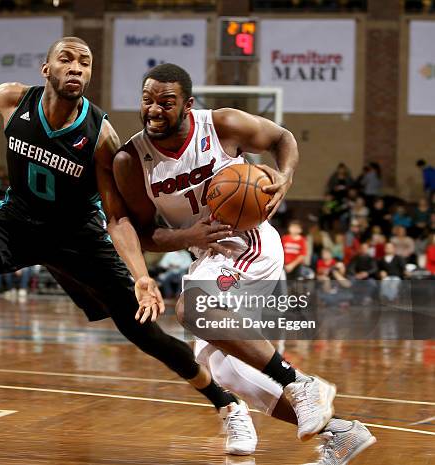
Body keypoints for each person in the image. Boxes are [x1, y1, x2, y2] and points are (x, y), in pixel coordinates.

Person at [0, 37, 253, 450]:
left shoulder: (100, 135)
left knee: (145, 334)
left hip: (77, 235)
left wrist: (141, 276)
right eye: (67, 59)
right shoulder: (13, 99)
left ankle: (228, 405)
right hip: (17, 221)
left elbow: (116, 216)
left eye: (85, 62)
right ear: (47, 70)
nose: (76, 67)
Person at [112, 63, 374, 462]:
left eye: (166, 102)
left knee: (193, 309)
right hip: (205, 255)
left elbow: (282, 138)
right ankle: (341, 433)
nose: (154, 110)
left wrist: (285, 177)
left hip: (249, 241)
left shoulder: (221, 125)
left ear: (188, 105)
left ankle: (300, 383)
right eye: (147, 101)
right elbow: (145, 233)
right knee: (229, 372)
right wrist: (188, 237)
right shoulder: (131, 160)